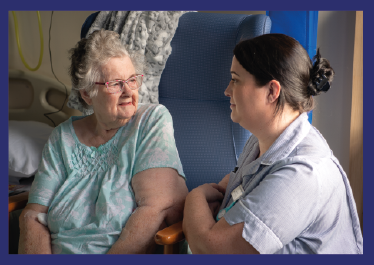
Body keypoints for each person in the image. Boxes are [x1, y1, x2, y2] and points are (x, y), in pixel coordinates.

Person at [182, 33, 363, 254]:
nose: (227, 90)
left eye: (235, 79)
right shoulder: (263, 142)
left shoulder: (302, 174)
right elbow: (239, 185)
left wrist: (195, 197)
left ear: (272, 91)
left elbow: (211, 250)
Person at [18, 29, 188, 254]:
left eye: (132, 80)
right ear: (88, 94)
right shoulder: (62, 137)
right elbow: (33, 216)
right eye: (115, 84)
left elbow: (157, 209)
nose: (128, 91)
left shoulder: (150, 121)